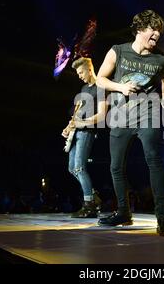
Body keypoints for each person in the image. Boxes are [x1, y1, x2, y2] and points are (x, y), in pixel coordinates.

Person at [96, 10, 164, 236]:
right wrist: (121, 87)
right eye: (154, 29)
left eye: (160, 31)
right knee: (115, 166)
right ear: (140, 29)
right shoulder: (118, 51)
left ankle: (162, 218)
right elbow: (100, 78)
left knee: (154, 160)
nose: (157, 34)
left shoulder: (162, 59)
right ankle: (123, 212)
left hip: (148, 114)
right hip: (121, 116)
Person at [62, 57, 106, 218]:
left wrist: (83, 123)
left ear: (89, 69)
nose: (79, 75)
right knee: (72, 168)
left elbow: (102, 115)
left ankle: (89, 205)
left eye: (81, 72)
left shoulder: (100, 87)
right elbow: (77, 113)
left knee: (79, 167)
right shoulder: (83, 89)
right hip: (76, 132)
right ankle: (93, 196)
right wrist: (68, 127)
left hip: (88, 132)